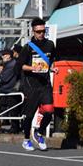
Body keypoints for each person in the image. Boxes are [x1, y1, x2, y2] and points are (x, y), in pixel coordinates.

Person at [17, 18, 57, 151]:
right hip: (31, 85)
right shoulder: (27, 47)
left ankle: (38, 133)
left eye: (43, 31)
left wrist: (52, 68)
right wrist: (33, 68)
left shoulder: (50, 44)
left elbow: (51, 61)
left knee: (49, 110)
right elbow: (20, 66)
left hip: (45, 84)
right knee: (29, 115)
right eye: (38, 32)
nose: (41, 34)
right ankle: (26, 140)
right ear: (33, 32)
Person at [0, 49, 21, 134]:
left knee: (13, 110)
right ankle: (14, 127)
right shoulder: (8, 64)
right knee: (11, 109)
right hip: (9, 89)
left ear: (9, 55)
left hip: (11, 89)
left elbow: (5, 78)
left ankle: (15, 128)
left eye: (4, 55)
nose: (2, 56)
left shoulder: (11, 65)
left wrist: (0, 74)